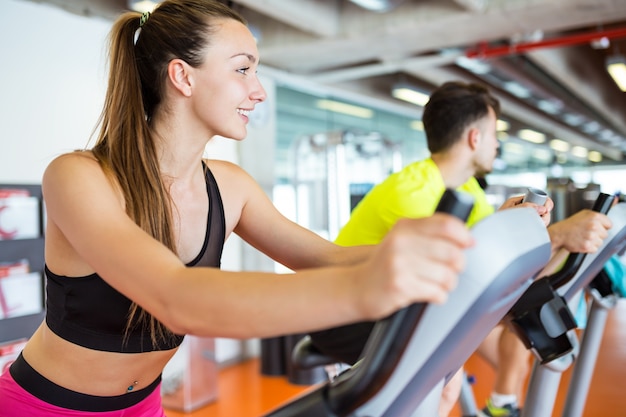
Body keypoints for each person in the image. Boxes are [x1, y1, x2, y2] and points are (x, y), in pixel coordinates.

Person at [0, 2, 476, 416]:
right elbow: (177, 298)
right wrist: (364, 291)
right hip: (41, 406)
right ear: (183, 76)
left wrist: (459, 250)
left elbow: (328, 257)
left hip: (145, 405)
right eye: (243, 69)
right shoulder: (78, 176)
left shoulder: (230, 186)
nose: (259, 90)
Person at [308, 81, 612, 417]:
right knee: (445, 379)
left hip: (409, 302)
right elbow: (462, 270)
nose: (497, 144)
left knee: (519, 330)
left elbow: (491, 265)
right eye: (494, 133)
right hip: (352, 315)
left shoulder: (468, 189)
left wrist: (538, 235)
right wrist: (556, 235)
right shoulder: (412, 192)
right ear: (474, 138)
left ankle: (501, 405)